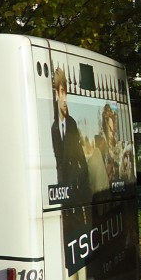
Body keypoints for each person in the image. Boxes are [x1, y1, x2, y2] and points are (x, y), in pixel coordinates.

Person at [50, 66, 90, 205]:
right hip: (61, 190)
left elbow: (79, 155)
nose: (65, 98)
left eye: (65, 93)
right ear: (56, 95)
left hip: (75, 189)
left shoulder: (72, 123)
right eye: (61, 92)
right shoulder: (53, 127)